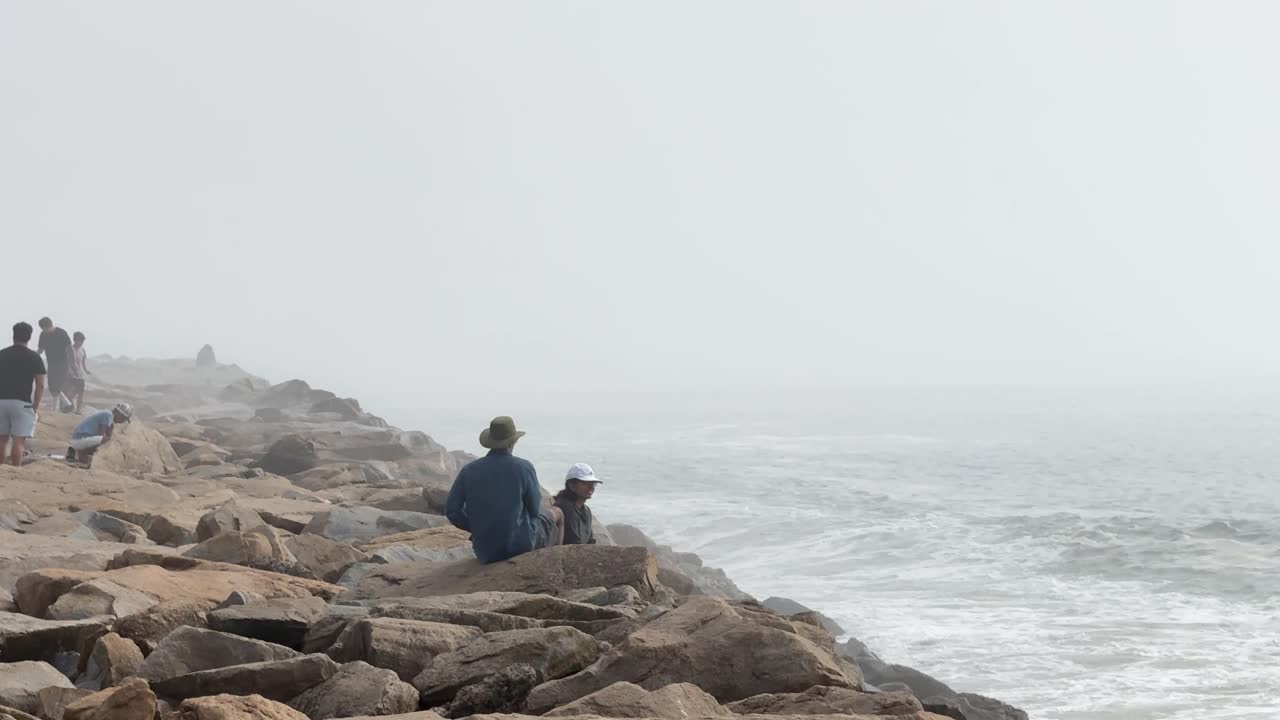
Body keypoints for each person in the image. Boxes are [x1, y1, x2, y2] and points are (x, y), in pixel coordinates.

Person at [445, 416, 564, 563]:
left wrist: (478, 529)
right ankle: (556, 561)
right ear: (514, 441)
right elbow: (533, 509)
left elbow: (452, 510)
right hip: (520, 546)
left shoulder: (469, 470)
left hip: (486, 551)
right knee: (558, 513)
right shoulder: (524, 467)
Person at [0, 322, 47, 467]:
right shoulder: (35, 358)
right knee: (19, 441)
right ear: (29, 337)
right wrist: (35, 406)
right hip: (22, 403)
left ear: (13, 335)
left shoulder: (2, 354)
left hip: (1, 401)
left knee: (2, 439)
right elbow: (40, 385)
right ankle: (15, 470)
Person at [553, 463, 603, 545]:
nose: (591, 487)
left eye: (593, 483)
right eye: (585, 483)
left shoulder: (586, 510)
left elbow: (590, 540)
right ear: (571, 485)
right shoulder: (565, 507)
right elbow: (573, 542)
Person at [67, 402, 132, 464]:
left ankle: (81, 453)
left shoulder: (108, 415)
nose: (122, 422)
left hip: (79, 439)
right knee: (105, 440)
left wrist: (111, 428)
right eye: (124, 419)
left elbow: (106, 435)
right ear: (120, 414)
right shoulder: (108, 415)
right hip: (79, 440)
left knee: (107, 440)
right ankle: (81, 453)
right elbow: (101, 436)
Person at [36, 318, 71, 411]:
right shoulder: (43, 335)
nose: (44, 331)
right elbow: (40, 349)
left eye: (44, 328)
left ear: (49, 326)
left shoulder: (61, 333)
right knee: (51, 386)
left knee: (58, 385)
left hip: (63, 363)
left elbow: (69, 347)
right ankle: (66, 403)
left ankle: (55, 409)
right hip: (51, 363)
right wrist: (34, 356)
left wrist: (71, 362)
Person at [65, 332, 90, 413]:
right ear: (75, 340)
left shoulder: (83, 350)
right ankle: (70, 407)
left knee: (81, 393)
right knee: (70, 394)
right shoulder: (70, 349)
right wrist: (69, 371)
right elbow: (67, 361)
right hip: (71, 375)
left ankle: (78, 410)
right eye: (80, 341)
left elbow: (83, 362)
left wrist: (86, 370)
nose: (81, 343)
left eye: (82, 341)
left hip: (80, 375)